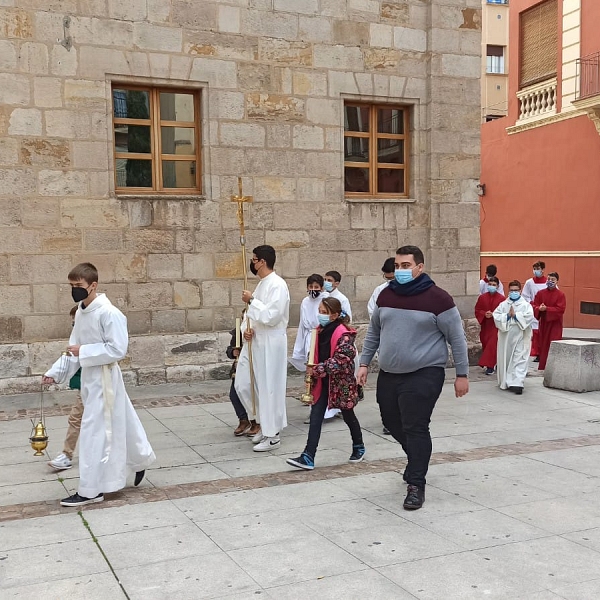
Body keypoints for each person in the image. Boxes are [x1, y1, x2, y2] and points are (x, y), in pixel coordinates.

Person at [357, 245, 469, 511]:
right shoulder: (386, 295)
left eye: (406, 266)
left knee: (415, 426)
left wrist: (462, 374)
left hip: (424, 373)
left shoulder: (439, 299)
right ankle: (418, 458)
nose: (400, 271)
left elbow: (457, 338)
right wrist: (363, 363)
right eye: (397, 266)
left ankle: (416, 484)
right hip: (389, 373)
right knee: (391, 421)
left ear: (420, 267)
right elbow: (374, 333)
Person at [43, 263, 155, 507]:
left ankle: (91, 489)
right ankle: (140, 460)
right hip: (90, 378)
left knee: (94, 432)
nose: (75, 290)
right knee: (122, 421)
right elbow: (72, 348)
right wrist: (54, 372)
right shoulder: (82, 312)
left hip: (105, 378)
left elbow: (117, 349)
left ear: (93, 285)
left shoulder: (110, 313)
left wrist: (84, 350)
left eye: (79, 286)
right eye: (71, 286)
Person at [287, 297, 365, 470]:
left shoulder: (344, 334)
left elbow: (341, 360)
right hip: (323, 381)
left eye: (324, 312)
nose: (320, 315)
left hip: (340, 383)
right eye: (319, 311)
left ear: (334, 315)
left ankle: (359, 445)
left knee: (348, 415)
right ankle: (308, 455)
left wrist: (317, 369)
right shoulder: (319, 331)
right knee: (316, 417)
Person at [235, 245, 290, 452]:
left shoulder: (278, 285)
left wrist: (252, 300)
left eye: (254, 259)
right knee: (244, 384)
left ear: (263, 262)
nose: (252, 263)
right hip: (255, 340)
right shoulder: (261, 284)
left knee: (269, 387)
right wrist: (245, 330)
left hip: (271, 341)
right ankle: (260, 421)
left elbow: (271, 316)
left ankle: (272, 434)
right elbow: (250, 315)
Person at [48, 305, 84, 471]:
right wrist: (52, 374)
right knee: (75, 419)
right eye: (73, 324)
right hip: (84, 386)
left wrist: (83, 351)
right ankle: (66, 455)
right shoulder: (78, 337)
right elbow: (68, 358)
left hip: (102, 385)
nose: (74, 326)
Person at [368, 257, 395, 434]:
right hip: (386, 341)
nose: (390, 282)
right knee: (387, 389)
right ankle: (388, 421)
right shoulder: (380, 291)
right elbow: (372, 311)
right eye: (387, 278)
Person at [493, 280, 534, 395]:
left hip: (521, 335)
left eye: (516, 290)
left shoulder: (525, 305)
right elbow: (496, 316)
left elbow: (529, 317)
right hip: (506, 337)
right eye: (511, 290)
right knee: (506, 359)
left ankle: (517, 383)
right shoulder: (503, 305)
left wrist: (516, 315)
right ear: (508, 291)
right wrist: (506, 316)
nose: (514, 292)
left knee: (519, 358)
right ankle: (506, 381)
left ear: (520, 291)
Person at [226, 311, 259, 437]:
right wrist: (233, 351)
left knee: (251, 394)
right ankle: (243, 420)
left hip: (254, 366)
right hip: (239, 367)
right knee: (234, 394)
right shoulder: (238, 331)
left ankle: (256, 421)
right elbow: (229, 349)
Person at [289, 274, 328, 372]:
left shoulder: (326, 300)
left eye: (316, 287)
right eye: (311, 287)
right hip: (309, 337)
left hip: (322, 336)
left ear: (321, 288)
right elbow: (302, 325)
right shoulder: (305, 301)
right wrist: (298, 349)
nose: (313, 289)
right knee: (310, 366)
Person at [531, 272, 566, 370]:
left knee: (553, 345)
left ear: (557, 281)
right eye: (549, 279)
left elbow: (560, 309)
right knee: (543, 345)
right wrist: (539, 309)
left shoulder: (560, 295)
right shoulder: (540, 293)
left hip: (555, 324)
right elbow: (534, 305)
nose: (550, 281)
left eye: (553, 280)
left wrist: (547, 309)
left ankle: (553, 368)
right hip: (544, 324)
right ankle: (542, 366)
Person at [474, 276, 505, 375]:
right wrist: (484, 314)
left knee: (492, 344)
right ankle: (492, 363)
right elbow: (477, 310)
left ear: (497, 286)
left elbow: (504, 313)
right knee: (486, 343)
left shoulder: (502, 299)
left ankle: (490, 366)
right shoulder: (482, 297)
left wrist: (494, 315)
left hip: (496, 326)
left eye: (494, 285)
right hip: (485, 325)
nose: (491, 286)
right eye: (490, 284)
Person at [522, 261, 548, 361]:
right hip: (533, 310)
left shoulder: (548, 282)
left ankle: (542, 353)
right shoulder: (529, 282)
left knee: (542, 333)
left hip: (544, 310)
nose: (536, 271)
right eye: (534, 269)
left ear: (543, 270)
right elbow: (525, 296)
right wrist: (532, 304)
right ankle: (535, 352)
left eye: (538, 268)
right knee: (534, 332)